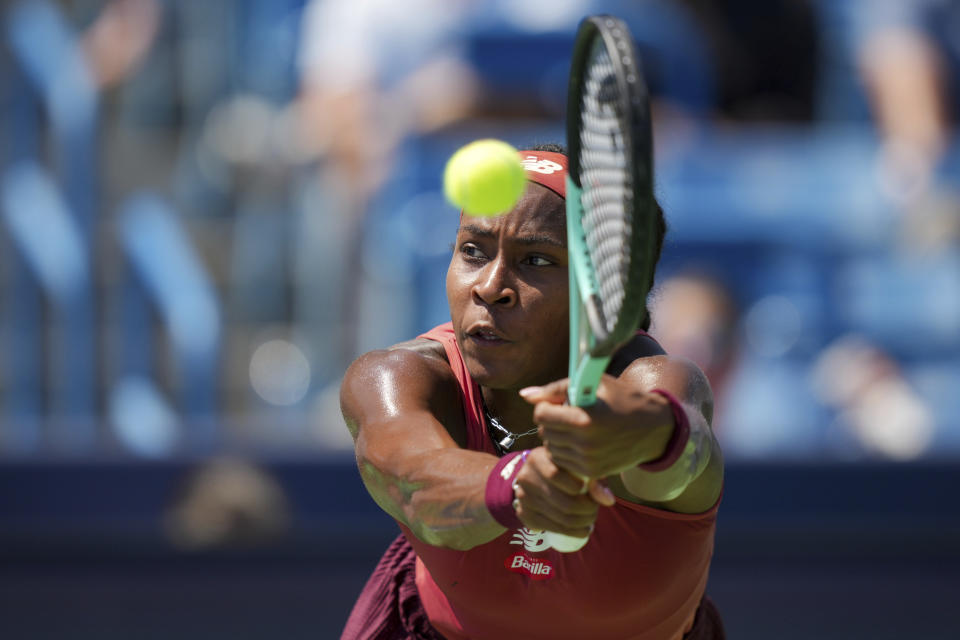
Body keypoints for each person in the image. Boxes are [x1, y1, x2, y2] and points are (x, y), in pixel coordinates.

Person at [339, 145, 725, 639]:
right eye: (473, 250)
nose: (490, 286)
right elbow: (415, 483)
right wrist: (518, 481)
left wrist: (642, 435)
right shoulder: (395, 379)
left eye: (537, 259)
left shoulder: (654, 382)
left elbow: (682, 450)